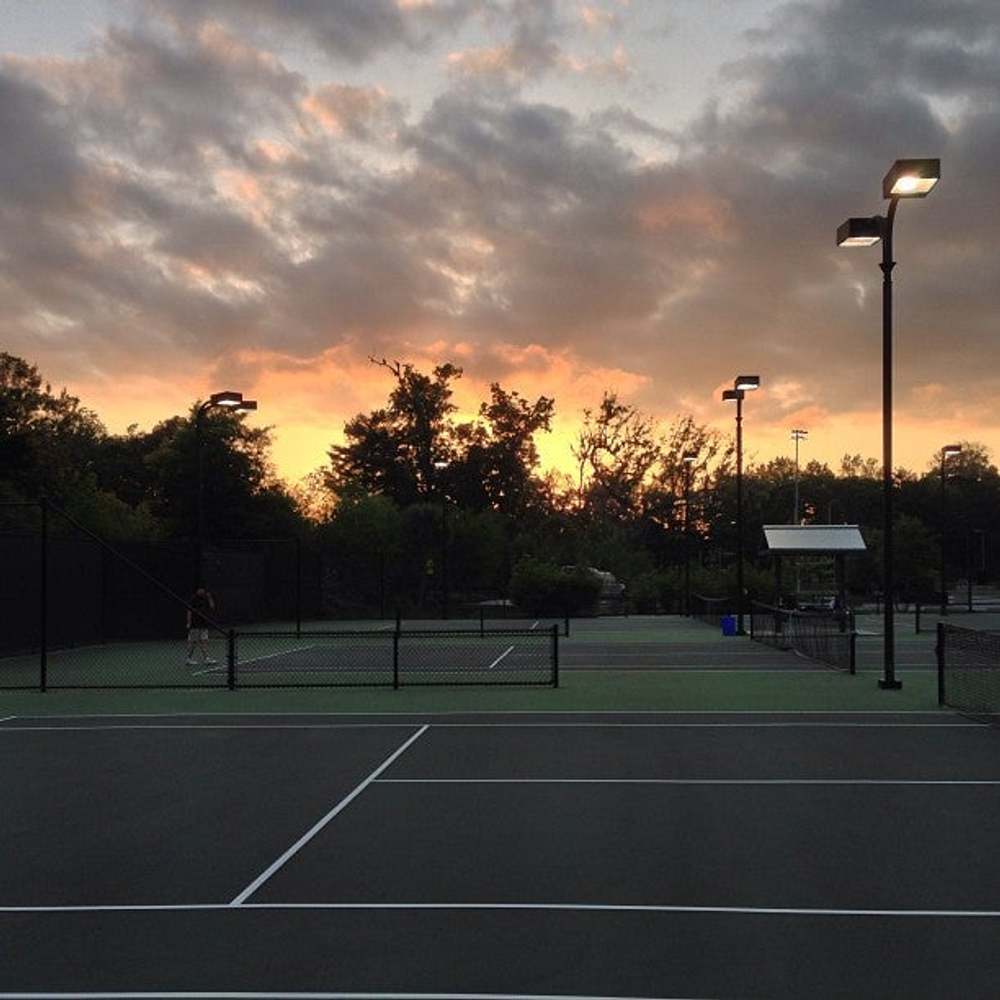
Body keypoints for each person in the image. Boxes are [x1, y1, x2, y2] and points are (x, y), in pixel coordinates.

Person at [186, 587, 217, 667]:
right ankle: (189, 659)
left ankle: (206, 658)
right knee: (193, 642)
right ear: (197, 590)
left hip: (204, 624)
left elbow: (212, 607)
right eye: (200, 589)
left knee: (204, 641)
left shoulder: (206, 598)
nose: (202, 591)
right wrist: (189, 622)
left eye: (203, 590)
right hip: (195, 624)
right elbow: (189, 611)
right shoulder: (193, 599)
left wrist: (210, 598)